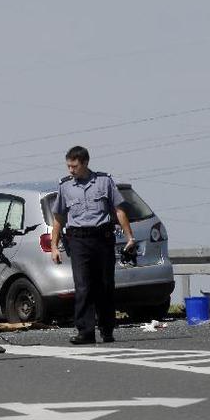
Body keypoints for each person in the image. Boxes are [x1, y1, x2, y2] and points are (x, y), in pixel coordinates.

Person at [50, 146, 135, 345]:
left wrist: (129, 236)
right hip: (78, 240)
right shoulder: (65, 187)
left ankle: (107, 329)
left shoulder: (104, 182)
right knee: (83, 287)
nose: (71, 170)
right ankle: (85, 331)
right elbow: (59, 218)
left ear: (85, 163)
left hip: (102, 238)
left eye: (75, 166)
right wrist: (54, 246)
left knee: (105, 286)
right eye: (68, 166)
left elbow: (119, 210)